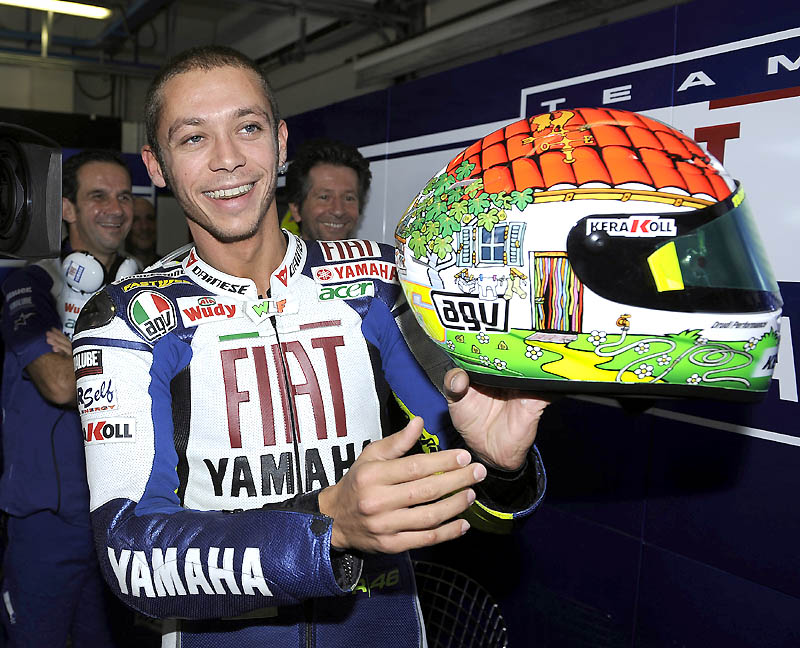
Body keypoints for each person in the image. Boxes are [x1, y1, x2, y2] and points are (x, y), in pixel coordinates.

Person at [72, 45, 549, 648]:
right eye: (193, 138)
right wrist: (327, 527)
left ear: (280, 143)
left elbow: (461, 499)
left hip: (386, 629)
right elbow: (130, 551)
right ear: (157, 165)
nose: (227, 159)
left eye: (248, 128)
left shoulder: (379, 282)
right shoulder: (127, 319)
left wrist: (497, 467)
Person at [0, 149, 139, 647]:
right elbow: (58, 384)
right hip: (46, 519)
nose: (115, 209)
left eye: (124, 196)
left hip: (119, 514)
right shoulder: (33, 281)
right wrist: (129, 360)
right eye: (98, 196)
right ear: (67, 209)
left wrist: (79, 349)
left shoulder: (140, 286)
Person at [285, 137, 370, 241]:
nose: (338, 211)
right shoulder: (276, 252)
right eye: (324, 197)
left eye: (348, 198)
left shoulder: (378, 251)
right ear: (295, 209)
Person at [126, 196, 159, 268]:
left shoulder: (172, 269)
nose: (145, 227)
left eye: (150, 218)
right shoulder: (114, 270)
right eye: (136, 220)